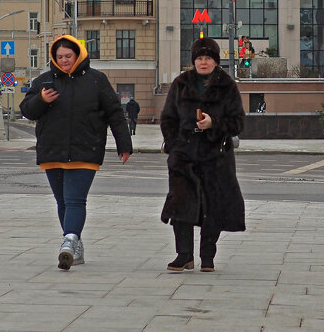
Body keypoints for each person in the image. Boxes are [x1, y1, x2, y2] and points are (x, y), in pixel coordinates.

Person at [21, 34, 133, 270]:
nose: (63, 61)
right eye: (59, 57)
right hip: (52, 150)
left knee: (74, 199)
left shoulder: (96, 80)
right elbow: (28, 110)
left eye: (68, 56)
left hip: (86, 149)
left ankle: (69, 242)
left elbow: (114, 112)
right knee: (62, 201)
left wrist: (124, 144)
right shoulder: (44, 81)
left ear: (78, 55)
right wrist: (41, 99)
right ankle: (75, 246)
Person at [160, 37, 246, 273]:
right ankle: (183, 255)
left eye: (208, 58)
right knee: (180, 205)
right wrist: (175, 144)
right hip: (184, 155)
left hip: (215, 156)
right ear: (193, 61)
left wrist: (214, 124)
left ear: (216, 61)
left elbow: (238, 122)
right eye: (199, 58)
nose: (203, 62)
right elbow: (168, 118)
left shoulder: (226, 85)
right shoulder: (181, 83)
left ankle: (207, 256)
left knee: (212, 207)